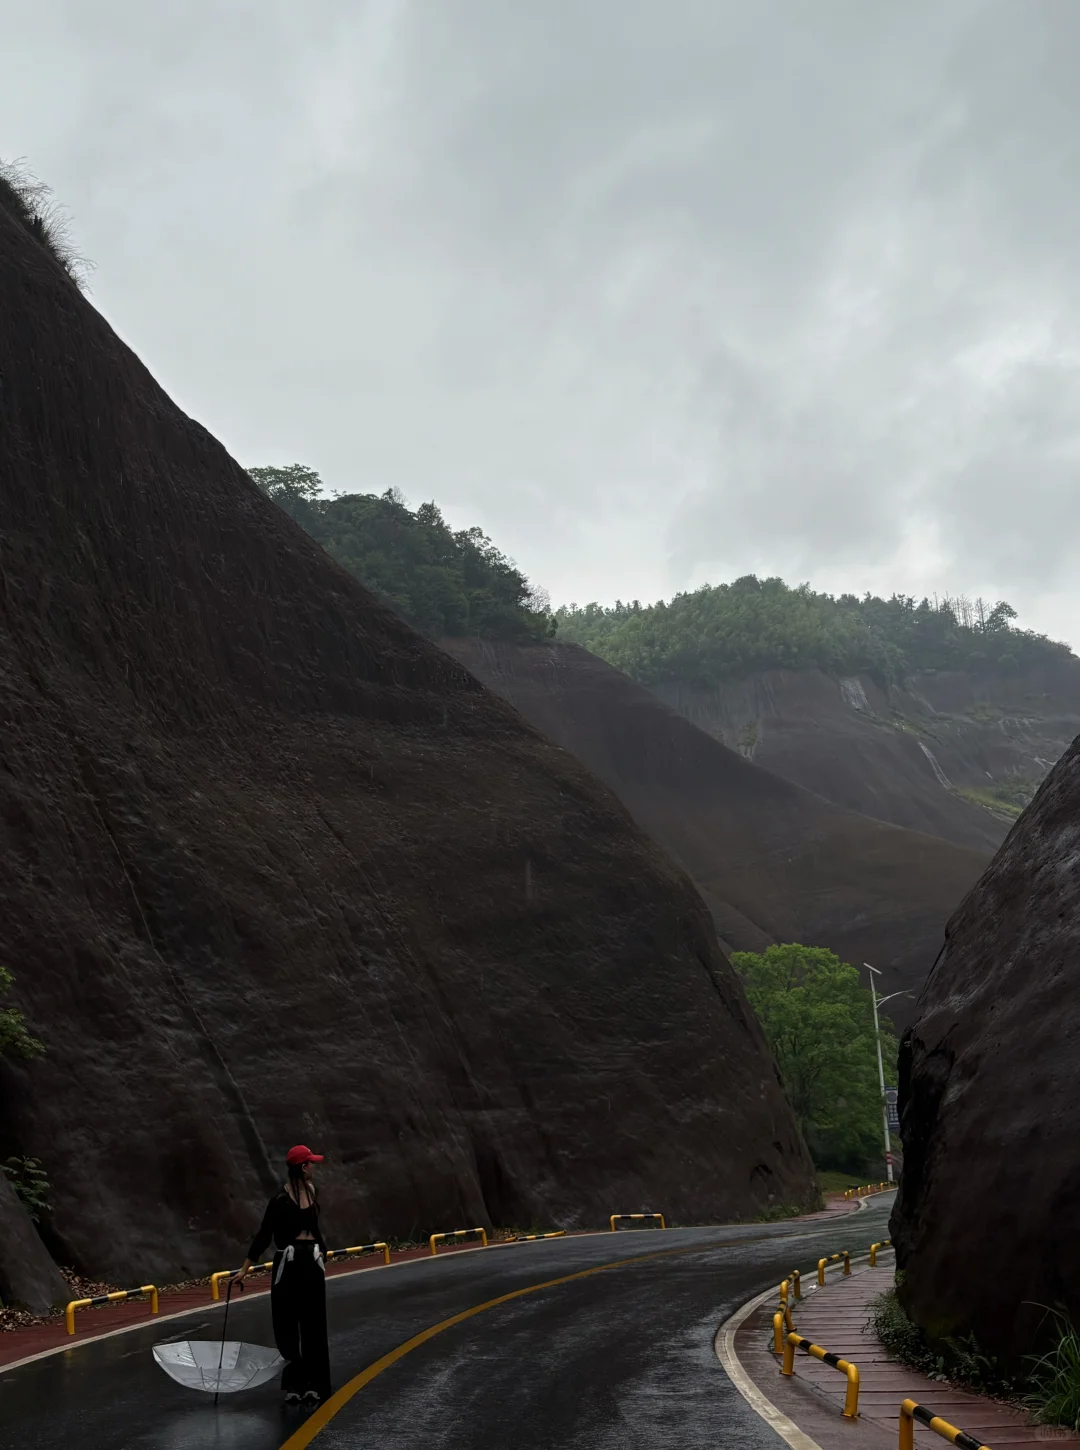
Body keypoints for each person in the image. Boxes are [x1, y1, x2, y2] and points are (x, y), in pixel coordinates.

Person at [234, 1145, 332, 1405]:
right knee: (287, 1323)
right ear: (302, 1167)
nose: (315, 1167)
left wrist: (323, 1251)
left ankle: (315, 1384)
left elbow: (315, 1229)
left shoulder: (312, 1193)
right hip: (287, 1264)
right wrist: (244, 1269)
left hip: (311, 1261)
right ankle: (294, 1386)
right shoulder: (279, 1200)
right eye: (311, 1163)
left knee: (314, 1325)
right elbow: (264, 1234)